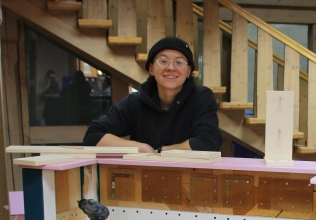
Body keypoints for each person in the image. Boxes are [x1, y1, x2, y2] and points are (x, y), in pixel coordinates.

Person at [83, 36, 223, 153]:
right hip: (144, 178)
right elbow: (93, 136)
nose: (170, 67)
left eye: (179, 62)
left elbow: (207, 143)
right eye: (163, 61)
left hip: (192, 178)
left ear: (188, 71)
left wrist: (162, 152)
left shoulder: (201, 97)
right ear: (151, 68)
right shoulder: (135, 102)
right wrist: (142, 148)